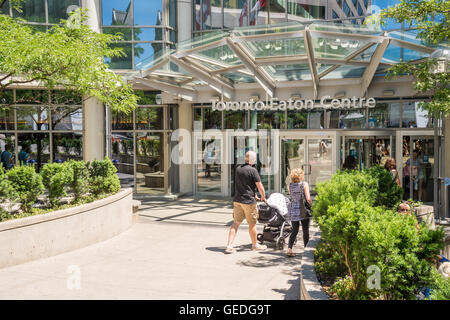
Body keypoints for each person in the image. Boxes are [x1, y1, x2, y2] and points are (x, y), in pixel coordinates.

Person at [225, 150, 267, 254]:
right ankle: (255, 245)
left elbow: (244, 184)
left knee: (236, 223)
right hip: (248, 202)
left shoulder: (238, 168)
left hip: (238, 200)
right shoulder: (253, 171)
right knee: (252, 224)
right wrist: (263, 196)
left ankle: (229, 246)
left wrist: (254, 194)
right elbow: (259, 185)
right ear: (254, 160)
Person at [286, 168, 312, 257]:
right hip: (302, 210)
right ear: (301, 176)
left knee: (294, 230)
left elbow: (293, 196)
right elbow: (308, 198)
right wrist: (311, 205)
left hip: (293, 209)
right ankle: (306, 250)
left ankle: (289, 249)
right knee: (305, 230)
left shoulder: (289, 185)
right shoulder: (304, 184)